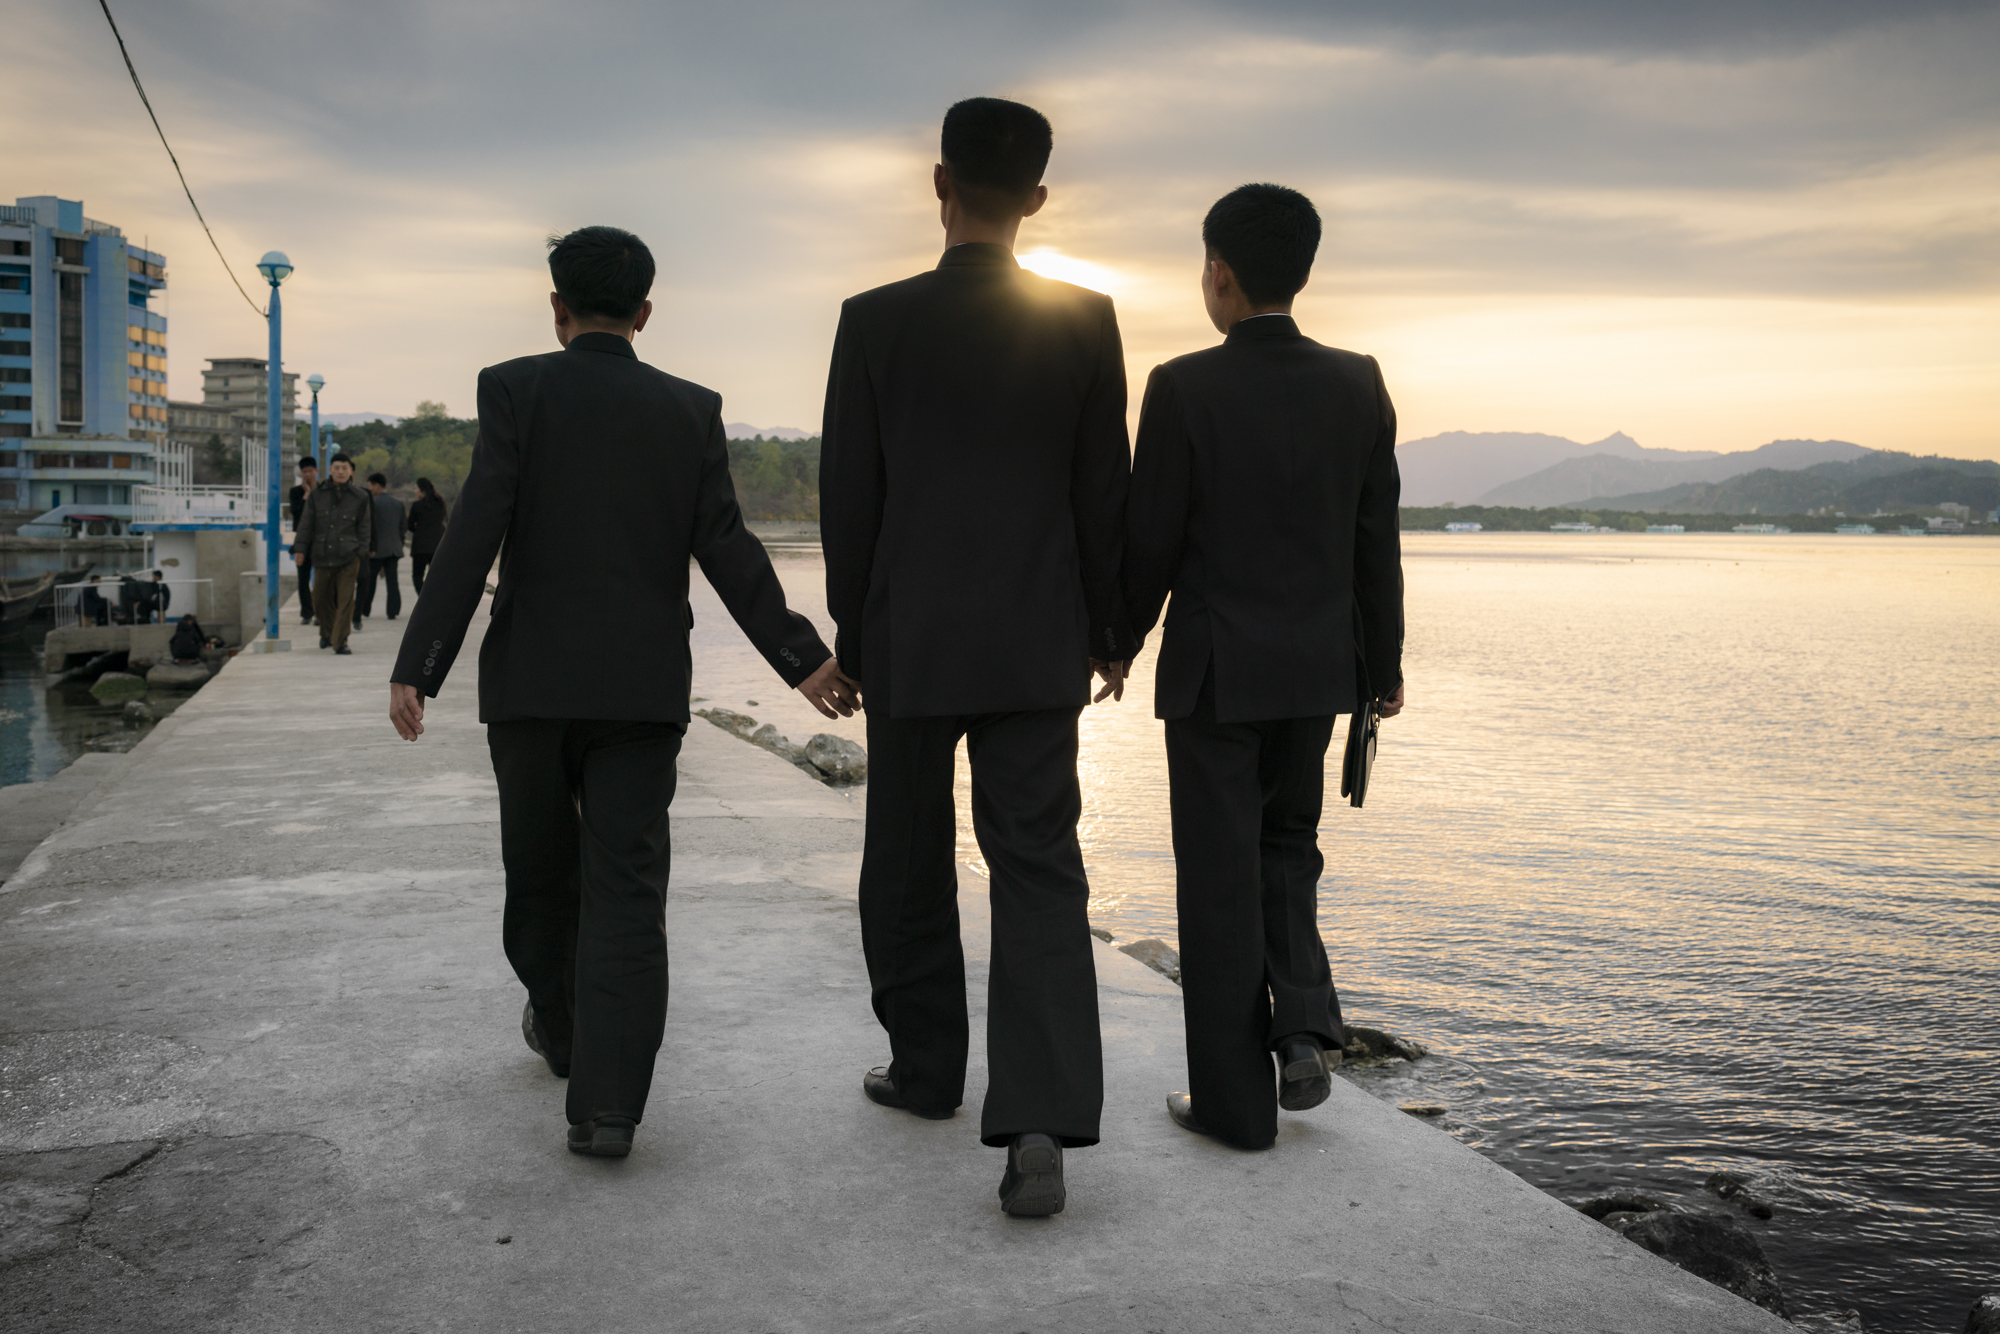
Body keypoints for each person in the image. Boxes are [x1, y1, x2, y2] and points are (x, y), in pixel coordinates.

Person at [387, 225, 858, 1160]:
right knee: (629, 892)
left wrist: (420, 662)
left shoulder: (515, 388)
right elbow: (727, 545)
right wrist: (802, 658)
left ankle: (563, 1031)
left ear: (555, 307)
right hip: (642, 694)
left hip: (529, 688)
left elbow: (475, 530)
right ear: (645, 314)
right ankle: (609, 1107)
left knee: (540, 878)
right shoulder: (689, 409)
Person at [819, 97, 1134, 1217]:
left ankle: (923, 1069)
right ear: (1038, 200)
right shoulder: (1087, 321)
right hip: (1038, 638)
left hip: (911, 636)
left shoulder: (873, 318)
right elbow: (1105, 497)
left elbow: (850, 495)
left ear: (936, 182)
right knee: (1039, 867)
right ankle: (1039, 1118)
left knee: (904, 859)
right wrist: (1111, 634)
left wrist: (851, 634)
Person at [1122, 183, 1406, 1152]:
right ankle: (1298, 1028)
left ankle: (1233, 1109)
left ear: (1219, 273)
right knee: (1287, 850)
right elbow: (1377, 544)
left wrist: (1111, 645)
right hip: (1318, 673)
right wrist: (1385, 666)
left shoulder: (1181, 385)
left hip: (1213, 677)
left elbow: (1150, 542)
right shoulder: (1358, 382)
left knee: (1215, 880)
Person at [292, 452, 372, 654]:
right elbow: (306, 524)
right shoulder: (317, 494)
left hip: (348, 556)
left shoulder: (360, 497)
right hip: (322, 555)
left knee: (345, 601)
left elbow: (365, 526)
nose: (341, 472)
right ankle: (326, 633)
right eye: (337, 468)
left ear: (351, 471)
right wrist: (300, 549)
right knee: (319, 599)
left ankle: (341, 642)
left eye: (345, 468)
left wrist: (361, 551)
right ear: (330, 470)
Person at [359, 472, 408, 622]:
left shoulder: (371, 502)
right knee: (392, 581)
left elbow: (368, 525)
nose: (370, 489)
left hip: (376, 550)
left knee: (370, 580)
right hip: (393, 549)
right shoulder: (398, 503)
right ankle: (393, 611)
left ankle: (365, 609)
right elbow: (403, 527)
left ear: (377, 485)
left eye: (370, 486)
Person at [289, 457, 318, 623]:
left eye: (310, 471)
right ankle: (307, 613)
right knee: (303, 579)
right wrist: (307, 494)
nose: (307, 474)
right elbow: (297, 514)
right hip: (302, 541)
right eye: (304, 472)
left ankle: (320, 612)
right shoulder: (295, 492)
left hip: (321, 540)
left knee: (322, 579)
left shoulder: (323, 489)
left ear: (316, 471)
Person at [408, 477, 448, 594]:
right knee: (436, 576)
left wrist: (418, 528)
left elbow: (410, 525)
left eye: (416, 489)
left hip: (420, 546)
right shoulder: (440, 503)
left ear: (422, 490)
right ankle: (434, 598)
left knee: (417, 576)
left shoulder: (416, 506)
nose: (415, 491)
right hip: (437, 545)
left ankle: (423, 598)